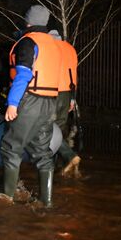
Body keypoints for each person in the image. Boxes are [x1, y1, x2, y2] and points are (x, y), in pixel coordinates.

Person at [0, 5, 62, 207]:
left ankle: (6, 201)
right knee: (43, 154)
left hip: (30, 100)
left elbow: (24, 75)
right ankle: (46, 202)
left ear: (28, 22)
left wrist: (12, 103)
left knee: (11, 149)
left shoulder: (27, 42)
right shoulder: (54, 44)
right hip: (50, 102)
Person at [49, 29, 81, 178]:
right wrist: (73, 99)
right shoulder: (70, 49)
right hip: (67, 93)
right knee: (59, 128)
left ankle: (69, 156)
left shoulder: (50, 48)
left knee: (47, 129)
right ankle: (58, 165)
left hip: (52, 93)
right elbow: (73, 73)